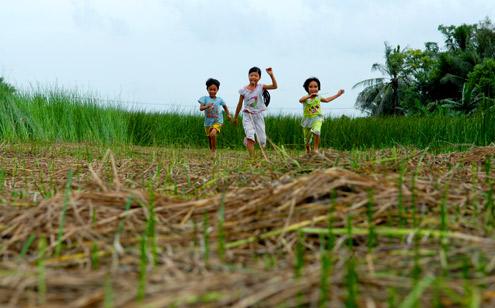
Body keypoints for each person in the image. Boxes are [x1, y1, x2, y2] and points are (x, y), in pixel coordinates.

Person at [234, 67, 278, 157]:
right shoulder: (243, 90)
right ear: (248, 76)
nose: (253, 77)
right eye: (251, 75)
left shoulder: (261, 87)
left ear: (259, 78)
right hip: (247, 115)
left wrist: (271, 75)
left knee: (262, 140)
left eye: (256, 75)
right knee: (250, 136)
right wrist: (235, 117)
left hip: (258, 115)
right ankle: (252, 157)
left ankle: (259, 152)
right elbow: (239, 104)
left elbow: (274, 86)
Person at [299, 77, 344, 154]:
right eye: (310, 87)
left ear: (318, 88)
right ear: (307, 88)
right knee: (307, 139)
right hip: (307, 120)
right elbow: (300, 100)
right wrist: (309, 96)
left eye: (315, 86)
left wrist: (337, 94)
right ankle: (307, 148)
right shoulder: (306, 98)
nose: (313, 88)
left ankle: (316, 149)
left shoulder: (318, 97)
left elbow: (327, 100)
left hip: (317, 118)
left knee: (316, 131)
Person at [198, 78, 231, 154]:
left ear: (217, 90)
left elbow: (225, 106)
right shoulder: (204, 99)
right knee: (210, 137)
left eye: (214, 89)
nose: (212, 91)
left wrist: (228, 114)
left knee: (213, 134)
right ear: (207, 89)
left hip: (218, 121)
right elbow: (201, 108)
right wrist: (206, 106)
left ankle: (214, 151)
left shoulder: (219, 100)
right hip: (208, 122)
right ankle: (211, 150)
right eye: (210, 89)